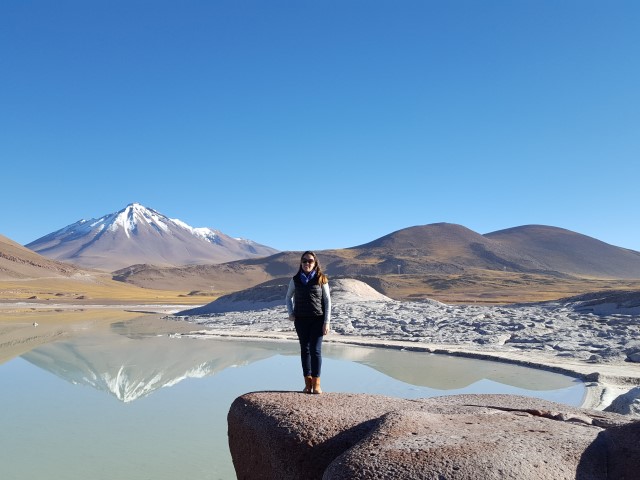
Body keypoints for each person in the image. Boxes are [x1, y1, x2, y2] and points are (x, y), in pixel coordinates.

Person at [285, 251, 331, 394]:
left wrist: (327, 322)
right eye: (304, 261)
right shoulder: (295, 279)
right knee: (304, 350)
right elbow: (288, 297)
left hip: (317, 320)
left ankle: (317, 384)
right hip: (301, 320)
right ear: (301, 263)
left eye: (310, 261)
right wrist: (291, 313)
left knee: (315, 350)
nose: (307, 263)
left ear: (315, 263)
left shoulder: (321, 279)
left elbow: (327, 301)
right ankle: (308, 383)